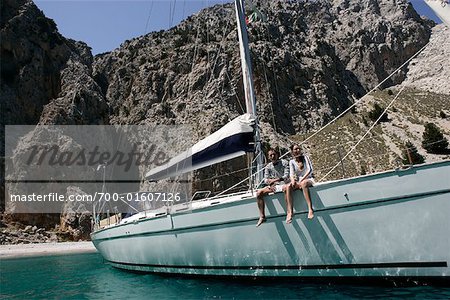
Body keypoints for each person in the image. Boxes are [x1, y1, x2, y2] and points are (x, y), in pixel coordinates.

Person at [255, 148, 289, 227]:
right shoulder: (268, 166)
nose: (273, 156)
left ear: (277, 155)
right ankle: (262, 216)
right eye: (271, 155)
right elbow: (266, 179)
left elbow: (286, 176)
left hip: (283, 184)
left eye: (274, 154)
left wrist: (274, 180)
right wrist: (271, 184)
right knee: (259, 193)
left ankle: (288, 212)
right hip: (273, 186)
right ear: (268, 157)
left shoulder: (284, 162)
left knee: (286, 188)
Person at [285, 144, 314, 223]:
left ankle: (310, 209)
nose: (298, 150)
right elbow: (291, 173)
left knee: (304, 183)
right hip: (299, 181)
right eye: (295, 149)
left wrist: (302, 180)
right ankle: (290, 212)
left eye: (299, 149)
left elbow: (310, 170)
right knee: (288, 186)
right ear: (292, 151)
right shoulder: (291, 162)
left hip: (308, 179)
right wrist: (293, 181)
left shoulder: (305, 158)